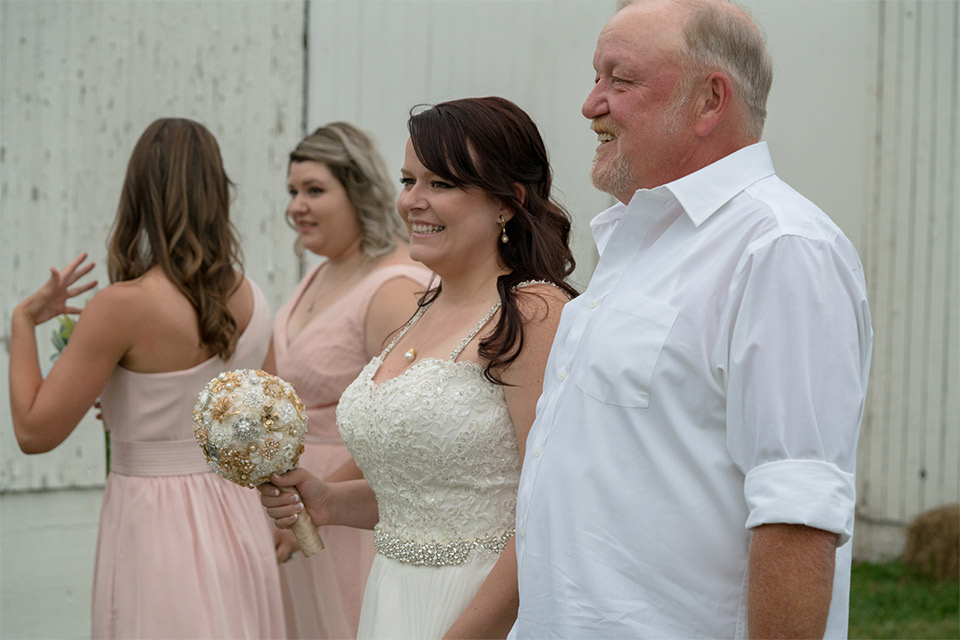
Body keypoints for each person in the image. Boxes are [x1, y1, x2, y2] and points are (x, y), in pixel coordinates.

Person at [508, 1, 874, 638]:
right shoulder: (639, 238)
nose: (591, 103)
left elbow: (796, 513)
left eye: (620, 81)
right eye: (597, 77)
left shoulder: (782, 247)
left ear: (711, 101)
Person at [260, 96, 577, 639]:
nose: (412, 202)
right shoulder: (421, 310)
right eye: (409, 180)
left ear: (507, 202)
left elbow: (550, 511)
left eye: (441, 184)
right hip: (393, 599)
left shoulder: (534, 313)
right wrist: (331, 501)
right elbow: (433, 496)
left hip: (480, 612)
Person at [9, 118, 286, 639]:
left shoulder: (123, 307)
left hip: (158, 525)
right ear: (216, 192)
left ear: (138, 193)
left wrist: (23, 322)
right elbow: (268, 431)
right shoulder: (253, 298)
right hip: (238, 516)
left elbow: (33, 432)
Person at [264, 121, 431, 638]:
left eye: (315, 190)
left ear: (357, 191)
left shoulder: (395, 287)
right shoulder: (321, 270)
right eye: (293, 191)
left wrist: (318, 500)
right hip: (296, 502)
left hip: (348, 505)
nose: (297, 206)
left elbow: (401, 424)